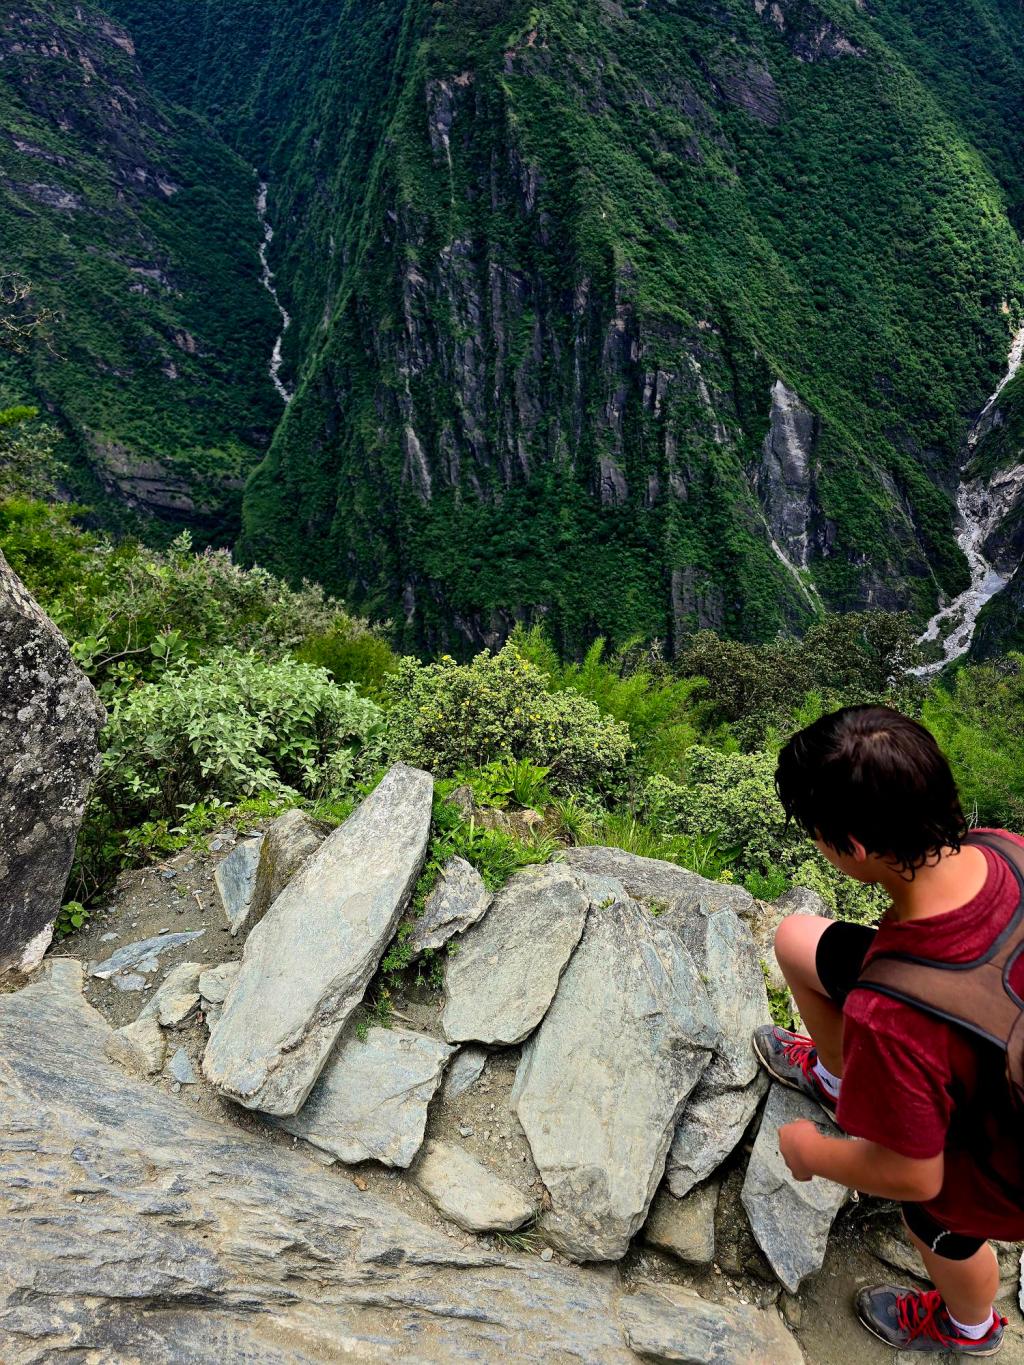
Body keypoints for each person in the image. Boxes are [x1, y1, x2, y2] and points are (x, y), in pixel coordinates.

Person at [751, 704, 1022, 1356]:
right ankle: (838, 1077)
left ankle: (969, 1326)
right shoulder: (1006, 849)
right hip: (980, 1011)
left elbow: (913, 1174)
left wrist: (811, 1153)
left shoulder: (892, 1012)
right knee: (797, 942)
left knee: (935, 1226)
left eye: (818, 832)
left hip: (1005, 1154)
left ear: (854, 848)